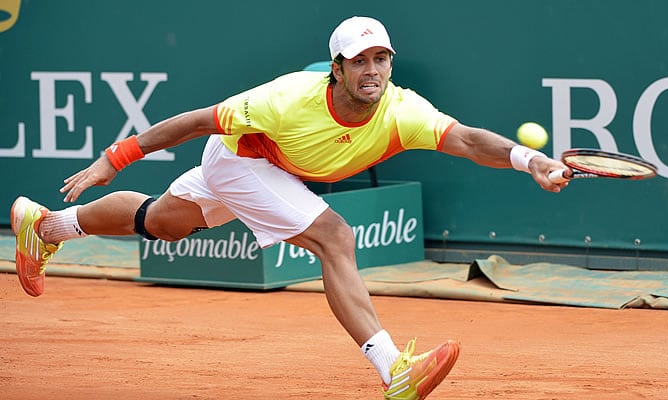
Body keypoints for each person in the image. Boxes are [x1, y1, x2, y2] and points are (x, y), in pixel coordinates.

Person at [10, 16, 570, 400]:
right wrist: (116, 156)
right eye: (359, 61)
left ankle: (47, 226)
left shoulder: (403, 110)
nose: (372, 70)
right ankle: (393, 369)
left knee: (162, 222)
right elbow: (198, 120)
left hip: (271, 168)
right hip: (239, 157)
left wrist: (530, 160)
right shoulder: (284, 100)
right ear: (337, 67)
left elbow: (470, 141)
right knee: (335, 236)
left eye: (382, 58)